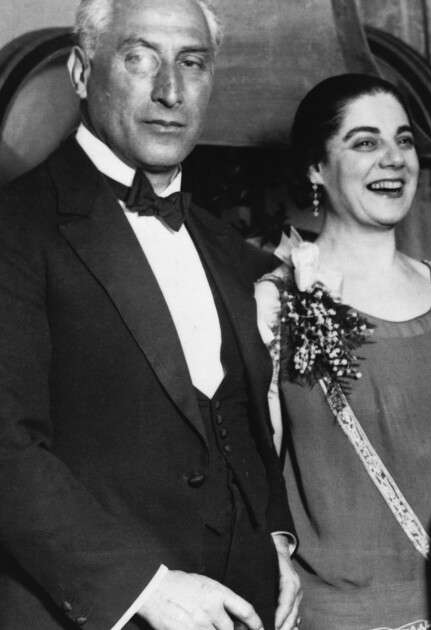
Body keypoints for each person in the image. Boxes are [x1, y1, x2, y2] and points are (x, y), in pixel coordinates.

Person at [0, 0, 302, 628]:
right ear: (81, 72)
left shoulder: (226, 246)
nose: (170, 91)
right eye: (139, 59)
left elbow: (243, 422)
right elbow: (7, 449)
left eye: (191, 63)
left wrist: (274, 539)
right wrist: (144, 589)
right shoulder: (15, 226)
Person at [254, 73, 431, 629]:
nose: (393, 159)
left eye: (404, 140)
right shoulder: (276, 300)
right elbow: (254, 469)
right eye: (365, 142)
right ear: (315, 167)